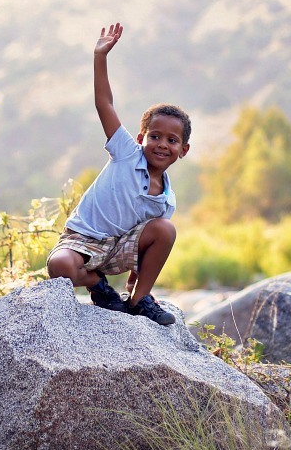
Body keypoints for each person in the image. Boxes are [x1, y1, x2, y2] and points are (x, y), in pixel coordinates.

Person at [46, 22, 191, 326]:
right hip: (82, 240)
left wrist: (135, 283)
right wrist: (100, 57)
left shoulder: (166, 199)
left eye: (172, 140)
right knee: (59, 266)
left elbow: (146, 244)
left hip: (118, 248)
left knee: (165, 230)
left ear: (183, 150)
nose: (162, 145)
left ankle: (139, 301)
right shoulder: (126, 152)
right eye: (155, 136)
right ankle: (97, 285)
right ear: (140, 138)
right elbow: (104, 103)